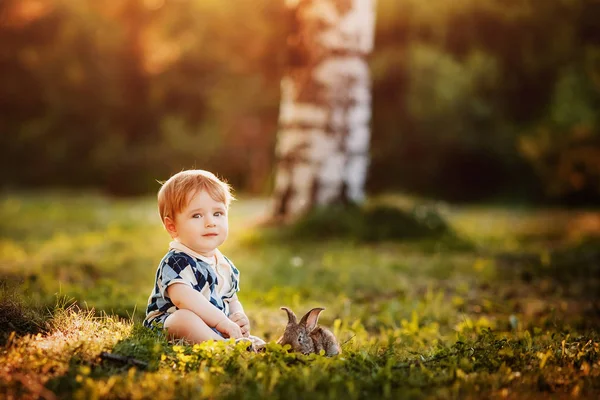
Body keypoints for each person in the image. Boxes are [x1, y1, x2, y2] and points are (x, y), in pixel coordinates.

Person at [143, 169, 263, 347]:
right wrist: (221, 322)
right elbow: (183, 298)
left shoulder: (224, 265)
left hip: (213, 327)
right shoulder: (177, 261)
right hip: (169, 323)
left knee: (254, 339)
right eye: (197, 215)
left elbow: (231, 299)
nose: (210, 222)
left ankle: (234, 343)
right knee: (183, 319)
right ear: (172, 226)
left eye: (218, 213)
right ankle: (225, 347)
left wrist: (238, 316)